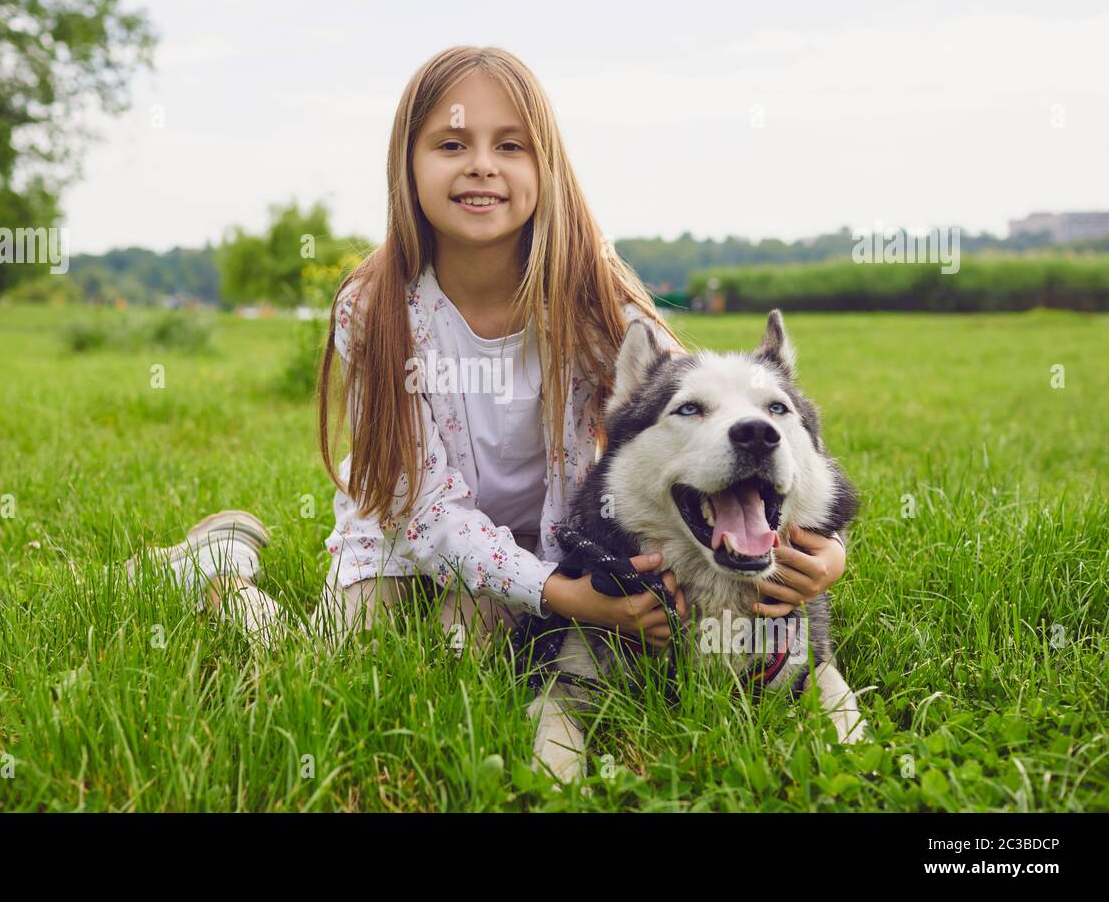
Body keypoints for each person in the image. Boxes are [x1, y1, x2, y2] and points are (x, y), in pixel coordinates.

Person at [127, 46, 848, 777]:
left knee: (461, 655)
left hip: (546, 542)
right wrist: (565, 599)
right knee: (337, 667)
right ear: (406, 164)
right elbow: (426, 508)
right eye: (450, 144)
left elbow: (697, 421)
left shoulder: (598, 300)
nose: (480, 165)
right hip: (408, 534)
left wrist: (827, 549)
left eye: (510, 145)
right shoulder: (379, 309)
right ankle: (223, 575)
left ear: (547, 168)